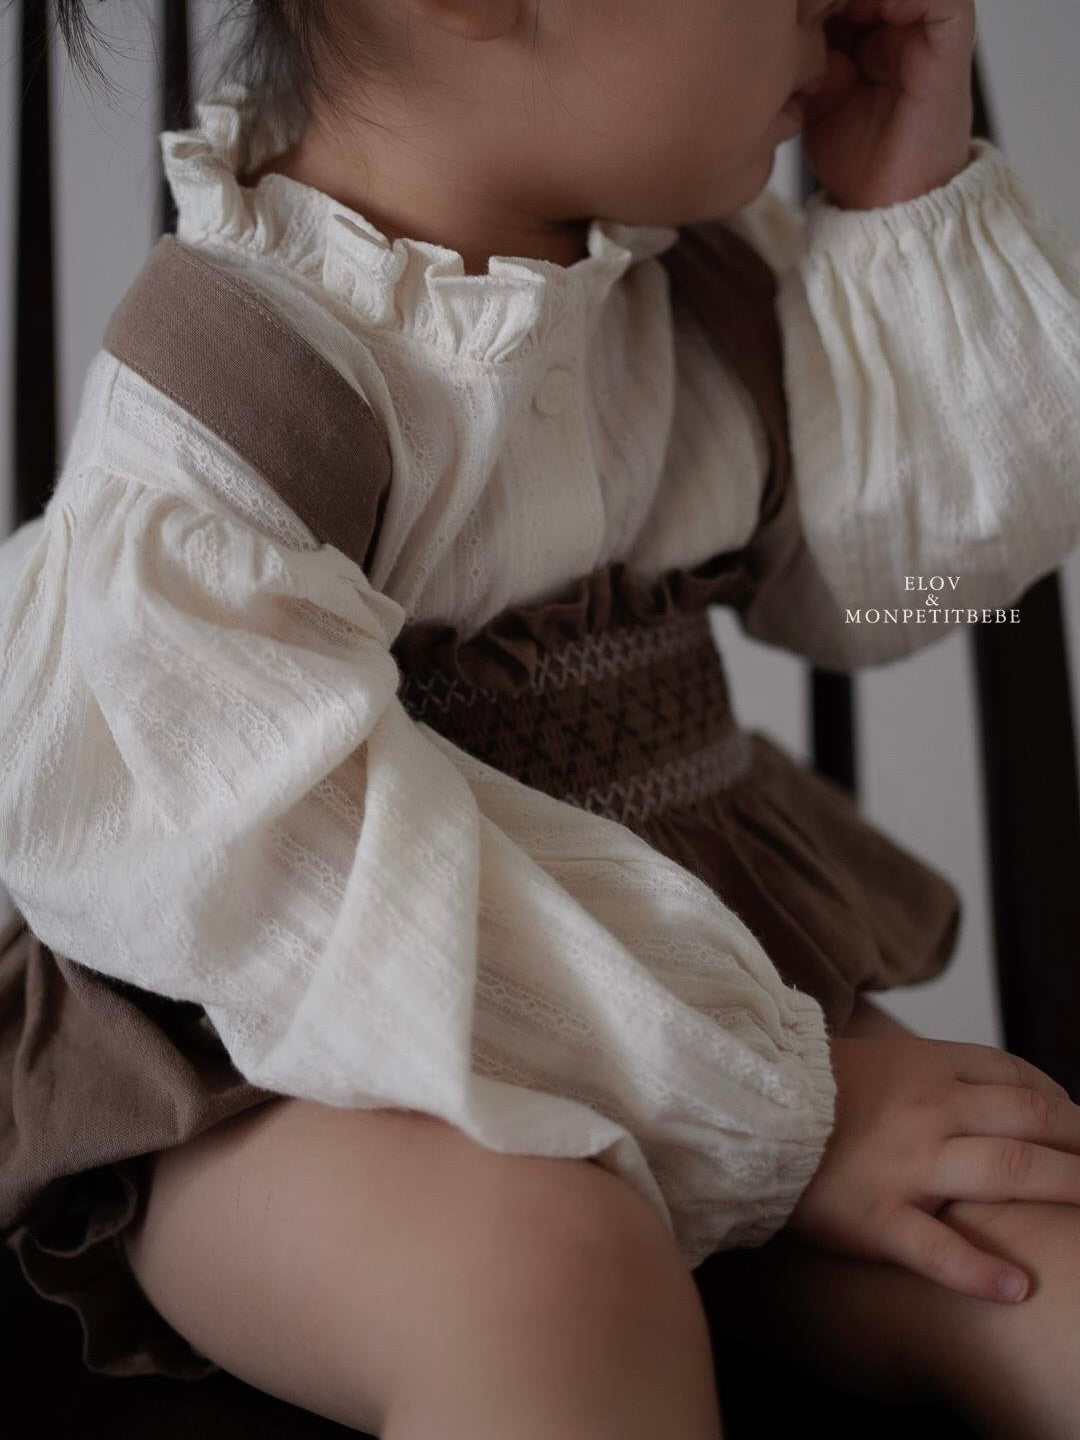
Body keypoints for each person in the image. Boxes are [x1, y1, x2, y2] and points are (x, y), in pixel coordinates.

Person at [1, 1, 1079, 1436]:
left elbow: (886, 594)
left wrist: (902, 208)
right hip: (297, 1049)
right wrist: (775, 1108)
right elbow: (258, 881)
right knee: (553, 1280)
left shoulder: (697, 291)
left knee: (1048, 1260)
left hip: (711, 1005)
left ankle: (720, 1203)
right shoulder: (243, 389)